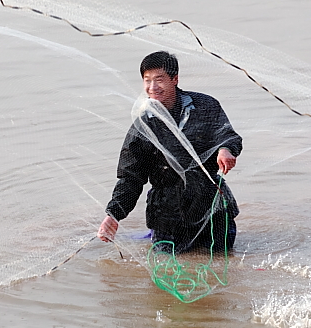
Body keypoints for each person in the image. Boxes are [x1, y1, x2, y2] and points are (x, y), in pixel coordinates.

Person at [97, 51, 242, 253]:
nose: (152, 87)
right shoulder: (143, 125)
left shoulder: (205, 106)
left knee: (222, 260)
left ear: (175, 79)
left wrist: (225, 150)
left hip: (212, 207)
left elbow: (227, 136)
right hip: (167, 215)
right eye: (147, 80)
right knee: (167, 264)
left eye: (159, 79)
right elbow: (130, 178)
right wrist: (113, 215)